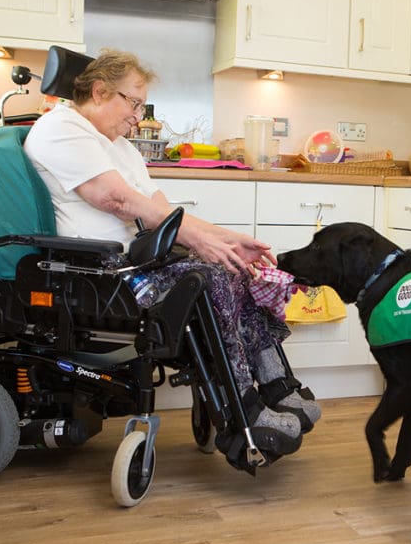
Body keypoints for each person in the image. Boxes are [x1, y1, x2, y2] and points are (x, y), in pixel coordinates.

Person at [24, 48, 320, 462]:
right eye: (133, 102)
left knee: (234, 269)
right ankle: (244, 411)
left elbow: (163, 212)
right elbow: (118, 200)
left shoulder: (120, 147)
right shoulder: (61, 128)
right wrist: (200, 243)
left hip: (138, 261)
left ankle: (275, 385)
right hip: (99, 271)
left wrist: (227, 241)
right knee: (209, 279)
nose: (138, 115)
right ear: (99, 90)